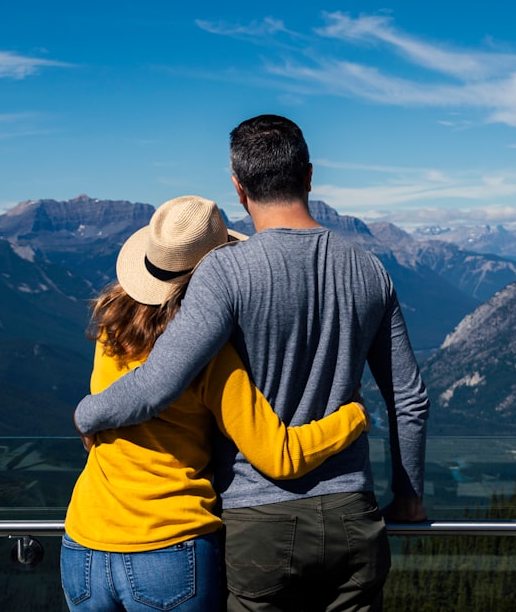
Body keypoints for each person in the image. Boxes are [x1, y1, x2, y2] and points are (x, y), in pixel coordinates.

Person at [75, 115, 429, 612]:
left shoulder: (224, 271)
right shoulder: (369, 268)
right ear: (308, 176)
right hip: (353, 512)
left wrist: (87, 414)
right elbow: (409, 398)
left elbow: (157, 384)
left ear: (240, 190)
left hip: (259, 519)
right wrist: (409, 497)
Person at [62, 194, 370, 612]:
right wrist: (352, 417)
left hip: (83, 544)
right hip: (167, 544)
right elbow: (280, 456)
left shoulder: (111, 332)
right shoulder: (209, 357)